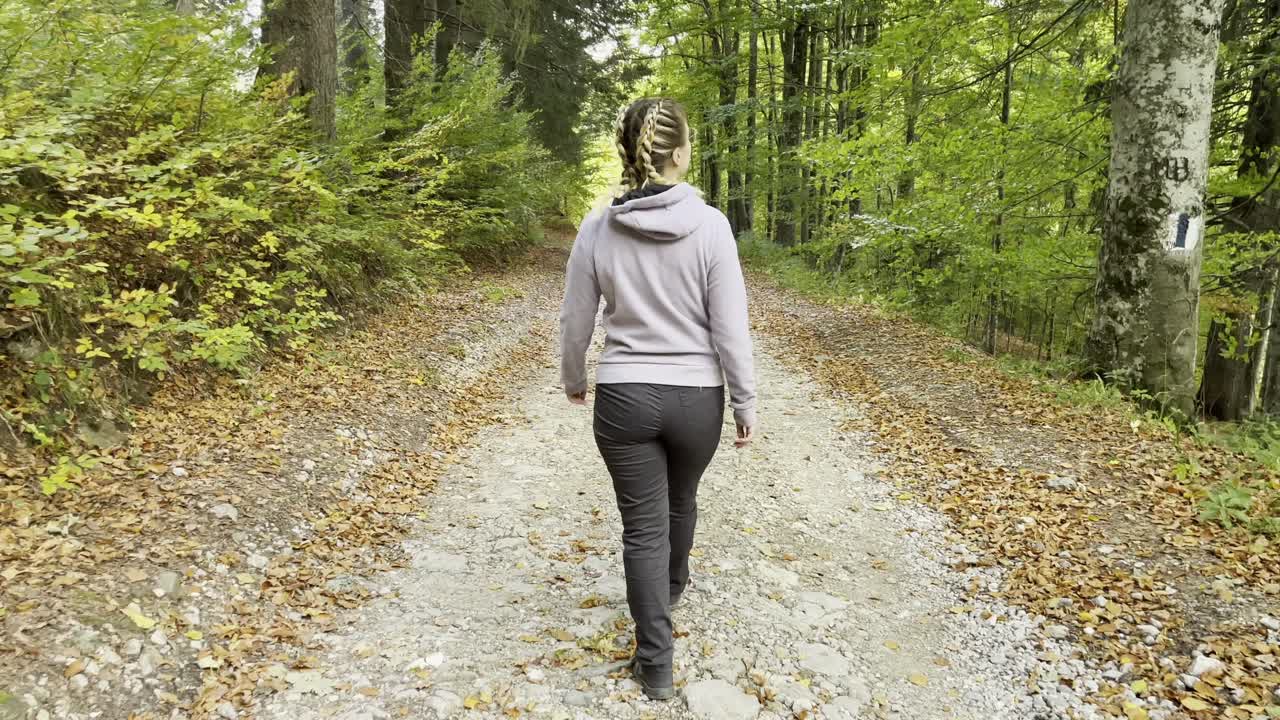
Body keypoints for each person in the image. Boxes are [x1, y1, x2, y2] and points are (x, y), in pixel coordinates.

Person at [558, 97, 758, 701]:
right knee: (682, 498)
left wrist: (574, 377)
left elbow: (575, 318)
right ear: (677, 153)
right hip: (698, 398)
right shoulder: (712, 225)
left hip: (624, 395)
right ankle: (671, 587)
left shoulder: (597, 226)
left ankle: (656, 664)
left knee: (641, 526)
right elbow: (730, 326)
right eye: (690, 142)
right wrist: (745, 402)